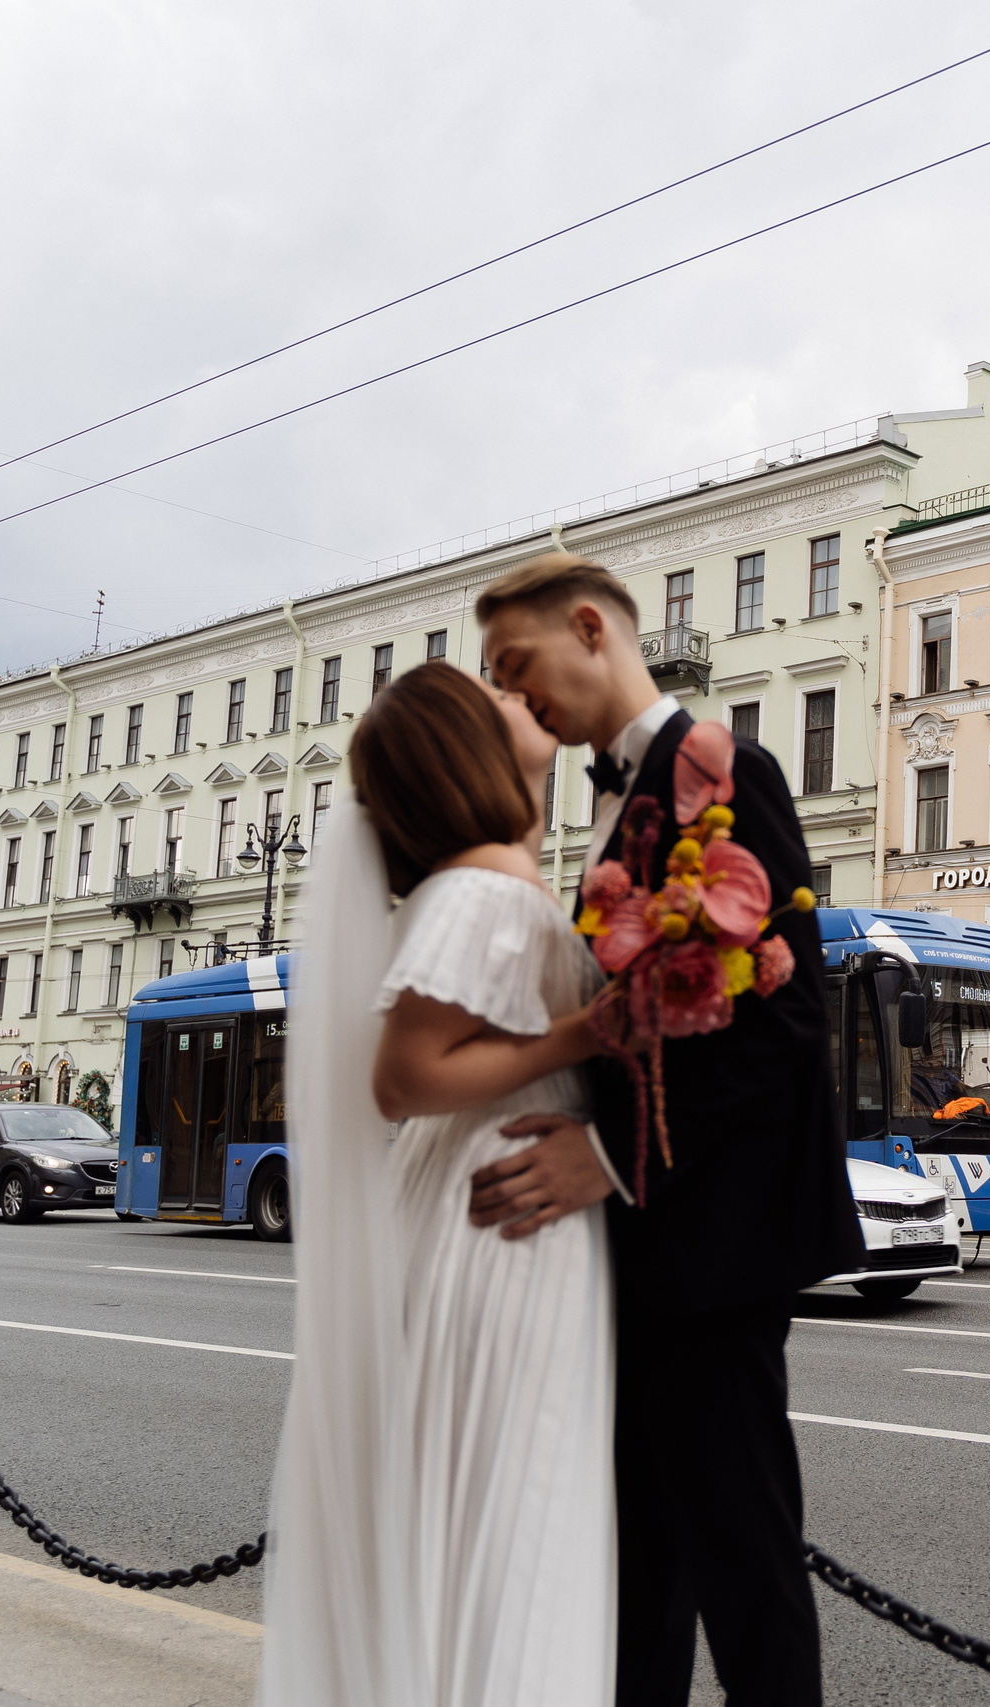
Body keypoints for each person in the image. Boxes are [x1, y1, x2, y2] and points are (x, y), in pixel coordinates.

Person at [461, 553, 862, 1707]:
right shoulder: (616, 801)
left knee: (741, 1556)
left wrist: (608, 1157)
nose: (512, 694)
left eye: (517, 664)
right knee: (643, 1558)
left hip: (718, 1240)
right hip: (648, 1250)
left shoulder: (722, 771)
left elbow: (780, 1024)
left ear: (591, 628)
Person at [261, 662, 616, 1706]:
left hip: (496, 1200)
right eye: (497, 698)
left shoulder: (485, 880)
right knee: (506, 1515)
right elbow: (404, 1077)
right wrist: (592, 1029)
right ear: (464, 750)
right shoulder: (483, 887)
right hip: (500, 1220)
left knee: (491, 1514)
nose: (524, 696)